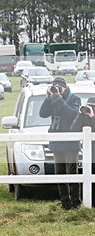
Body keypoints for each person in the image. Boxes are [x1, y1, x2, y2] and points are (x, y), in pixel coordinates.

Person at [40, 76, 82, 209]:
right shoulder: (53, 98)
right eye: (55, 87)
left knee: (72, 173)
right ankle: (65, 202)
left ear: (65, 87)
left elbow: (73, 114)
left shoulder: (74, 99)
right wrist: (48, 97)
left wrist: (58, 99)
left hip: (71, 143)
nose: (57, 90)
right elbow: (42, 114)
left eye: (59, 88)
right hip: (57, 142)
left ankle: (75, 202)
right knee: (60, 173)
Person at [71, 98, 95, 204]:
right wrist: (80, 115)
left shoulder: (91, 117)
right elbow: (73, 130)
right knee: (88, 177)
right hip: (89, 154)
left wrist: (92, 117)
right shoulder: (84, 117)